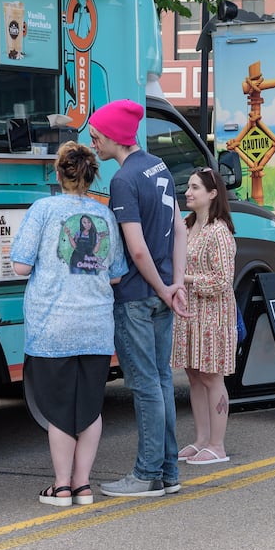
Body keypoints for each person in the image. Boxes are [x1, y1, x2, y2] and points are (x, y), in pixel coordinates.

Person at [11, 142, 128, 507]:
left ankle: (61, 487)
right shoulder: (105, 215)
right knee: (90, 407)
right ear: (91, 174)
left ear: (58, 173)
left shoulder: (43, 210)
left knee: (60, 407)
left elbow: (21, 266)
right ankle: (83, 485)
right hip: (95, 326)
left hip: (53, 325)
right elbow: (116, 275)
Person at [88, 99, 189, 499]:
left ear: (113, 135)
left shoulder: (123, 181)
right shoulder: (158, 166)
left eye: (96, 136)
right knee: (162, 380)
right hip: (163, 292)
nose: (93, 143)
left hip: (135, 295)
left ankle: (146, 474)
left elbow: (137, 249)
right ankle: (168, 470)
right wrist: (175, 284)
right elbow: (180, 229)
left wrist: (164, 288)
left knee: (146, 384)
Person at [174, 167, 238, 465]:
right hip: (191, 312)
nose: (189, 192)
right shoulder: (187, 226)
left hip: (213, 313)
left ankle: (218, 445)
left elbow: (222, 280)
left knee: (212, 376)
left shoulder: (219, 231)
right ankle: (201, 440)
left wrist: (185, 279)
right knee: (194, 375)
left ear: (212, 194)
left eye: (195, 187)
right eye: (189, 187)